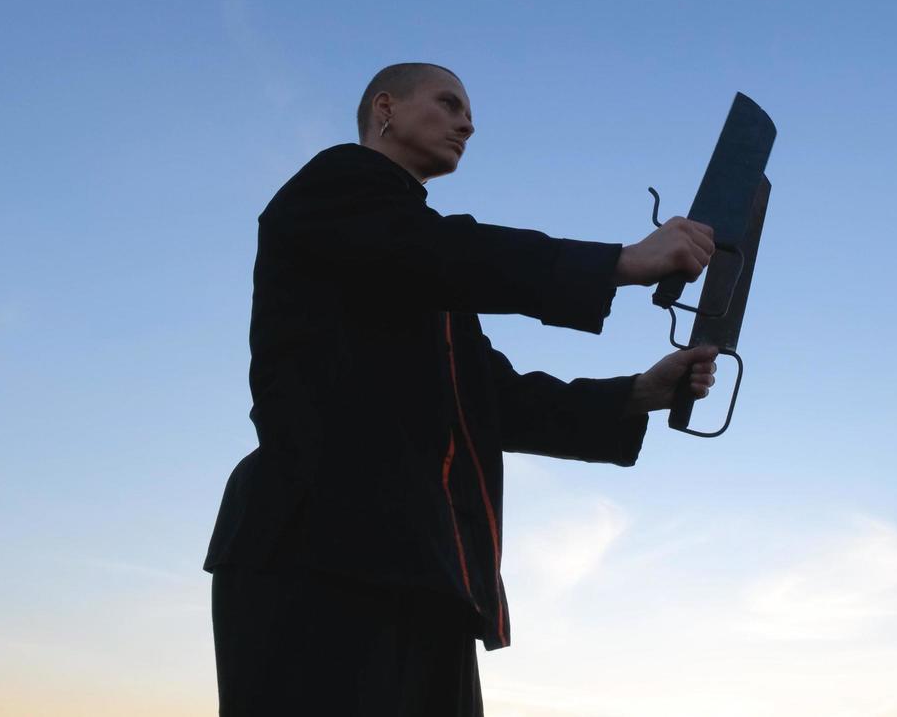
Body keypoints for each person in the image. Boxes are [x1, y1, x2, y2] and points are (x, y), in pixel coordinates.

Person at [204, 62, 720, 715]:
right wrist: (618, 261)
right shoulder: (333, 190)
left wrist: (637, 392)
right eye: (448, 103)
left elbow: (495, 399)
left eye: (468, 112)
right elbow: (435, 251)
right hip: (314, 557)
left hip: (424, 573)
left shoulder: (429, 276)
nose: (467, 123)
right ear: (384, 108)